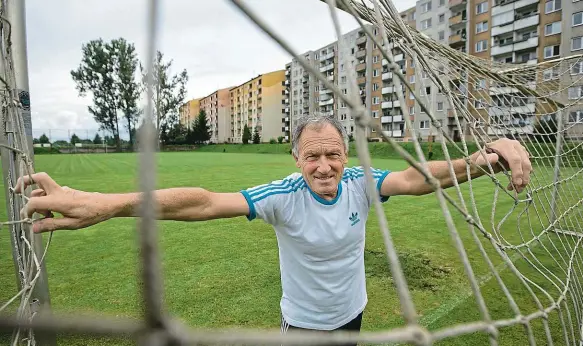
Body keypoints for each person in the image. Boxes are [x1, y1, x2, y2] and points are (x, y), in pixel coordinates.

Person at [15, 114, 532, 344]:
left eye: (333, 154)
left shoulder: (360, 182)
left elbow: (417, 179)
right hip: (303, 326)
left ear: (345, 155)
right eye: (313, 157)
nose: (325, 166)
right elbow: (203, 202)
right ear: (297, 158)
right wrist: (105, 203)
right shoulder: (283, 195)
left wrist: (487, 157)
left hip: (351, 317)